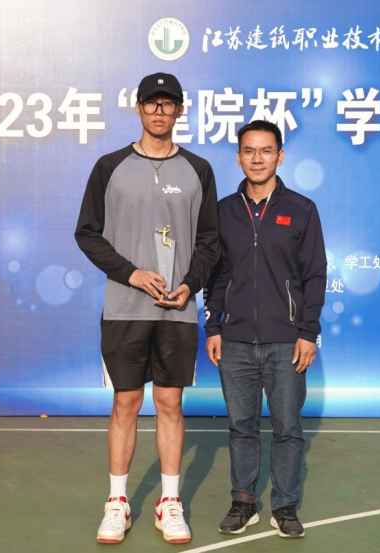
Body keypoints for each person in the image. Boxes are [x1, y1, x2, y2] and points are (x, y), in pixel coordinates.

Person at [75, 72, 219, 544]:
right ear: (138, 108)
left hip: (177, 311)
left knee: (170, 403)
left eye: (168, 103)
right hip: (124, 308)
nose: (160, 111)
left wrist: (190, 285)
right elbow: (87, 234)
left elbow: (210, 241)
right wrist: (131, 274)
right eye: (152, 103)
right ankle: (117, 502)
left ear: (180, 110)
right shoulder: (109, 167)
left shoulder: (198, 170)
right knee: (126, 402)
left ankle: (169, 502)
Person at [204, 120, 326, 538]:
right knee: (242, 427)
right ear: (238, 157)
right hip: (234, 340)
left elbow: (315, 274)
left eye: (266, 150)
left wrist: (307, 332)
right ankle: (243, 502)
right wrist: (213, 326)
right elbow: (217, 274)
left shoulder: (302, 209)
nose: (258, 158)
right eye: (249, 150)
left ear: (280, 156)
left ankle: (285, 507)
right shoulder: (222, 211)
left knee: (288, 428)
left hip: (286, 341)